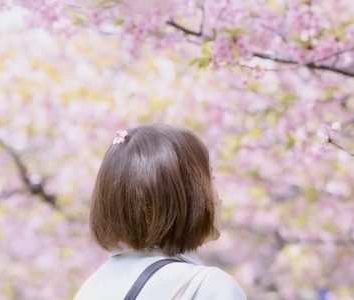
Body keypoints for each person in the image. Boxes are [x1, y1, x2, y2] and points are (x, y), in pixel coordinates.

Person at [74, 124, 247, 300]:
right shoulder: (207, 286)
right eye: (211, 178)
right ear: (186, 193)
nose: (216, 193)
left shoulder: (91, 288)